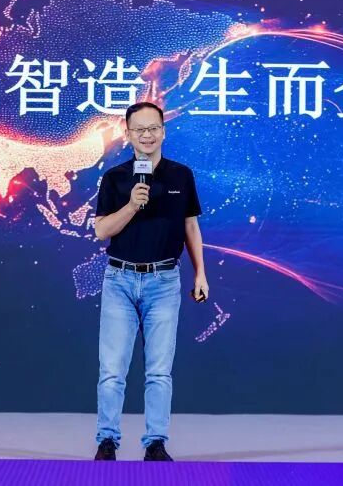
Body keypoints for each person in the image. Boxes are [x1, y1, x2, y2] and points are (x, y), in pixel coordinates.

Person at [92, 101, 209, 461]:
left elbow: (191, 226)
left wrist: (200, 273)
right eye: (139, 130)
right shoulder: (115, 178)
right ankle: (107, 441)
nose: (147, 135)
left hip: (164, 281)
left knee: (159, 371)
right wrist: (131, 205)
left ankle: (155, 442)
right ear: (128, 135)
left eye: (153, 128)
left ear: (163, 131)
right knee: (112, 371)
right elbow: (101, 231)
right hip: (120, 280)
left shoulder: (181, 176)